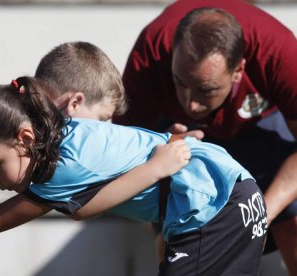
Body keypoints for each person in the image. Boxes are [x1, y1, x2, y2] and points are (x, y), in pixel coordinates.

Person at [0, 76, 267, 275]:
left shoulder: (57, 166)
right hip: (232, 194)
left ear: (25, 138)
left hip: (214, 209)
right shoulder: (65, 133)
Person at [116, 1, 297, 273]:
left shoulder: (279, 52)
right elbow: (125, 150)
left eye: (205, 89)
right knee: (173, 243)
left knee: (293, 225)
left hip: (258, 130)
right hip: (180, 139)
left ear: (239, 70)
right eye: (179, 83)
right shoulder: (151, 53)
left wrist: (261, 215)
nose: (191, 104)